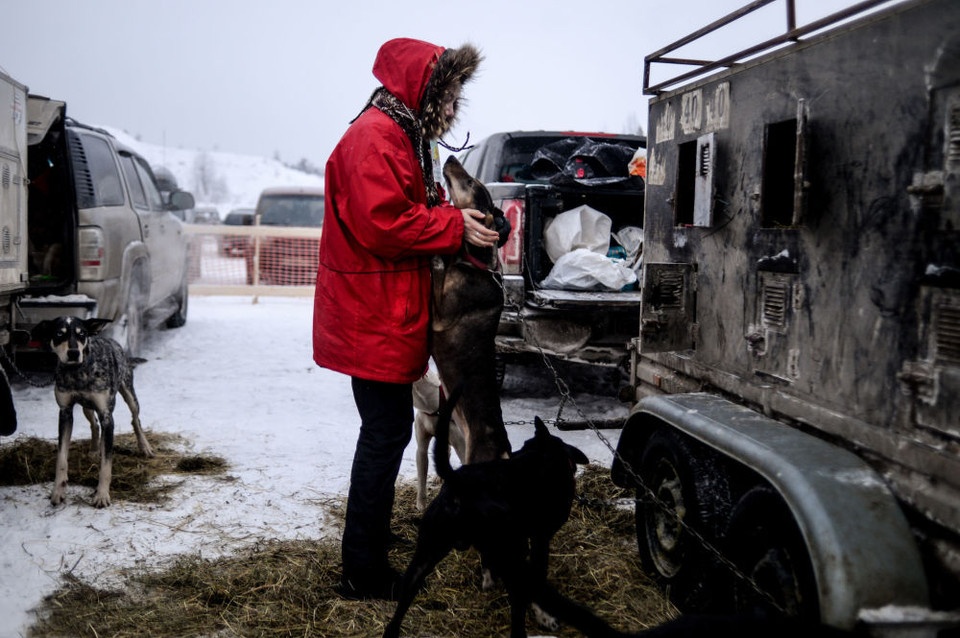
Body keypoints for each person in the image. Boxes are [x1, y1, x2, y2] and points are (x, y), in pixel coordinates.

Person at [312, 38, 500, 600]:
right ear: (423, 89)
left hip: (381, 309)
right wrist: (454, 227)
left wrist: (452, 215)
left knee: (386, 429)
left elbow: (407, 209)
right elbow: (384, 225)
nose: (451, 110)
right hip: (372, 313)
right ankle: (362, 571)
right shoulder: (375, 139)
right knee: (385, 432)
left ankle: (366, 546)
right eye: (447, 96)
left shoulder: (398, 136)